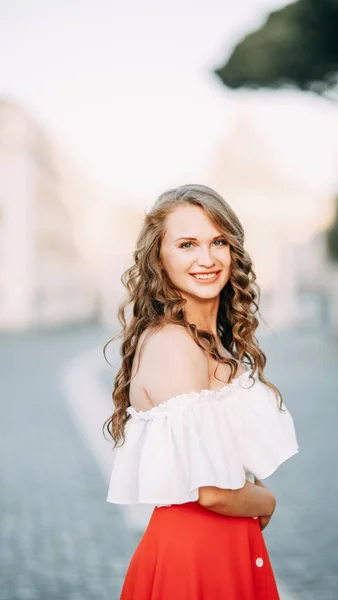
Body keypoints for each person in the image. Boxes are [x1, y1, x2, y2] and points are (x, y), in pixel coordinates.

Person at [104, 184, 299, 600]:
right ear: (159, 257)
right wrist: (267, 501)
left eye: (218, 242)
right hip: (193, 562)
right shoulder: (174, 344)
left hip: (222, 551)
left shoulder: (206, 339)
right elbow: (213, 491)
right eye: (187, 244)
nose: (207, 259)